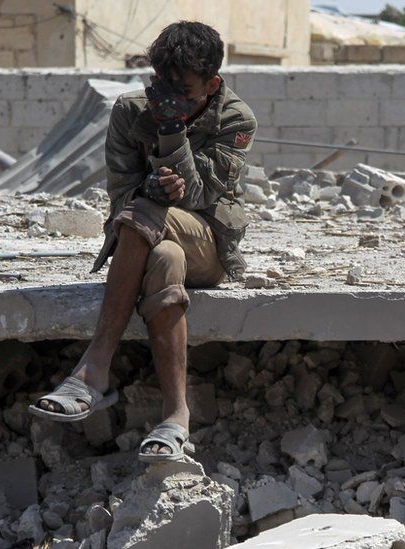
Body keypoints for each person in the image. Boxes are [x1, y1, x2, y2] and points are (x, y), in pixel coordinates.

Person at [29, 21, 256, 462]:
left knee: (146, 219)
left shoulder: (235, 118)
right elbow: (120, 199)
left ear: (212, 84)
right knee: (162, 252)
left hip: (207, 245)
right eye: (161, 89)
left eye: (186, 93)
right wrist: (151, 188)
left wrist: (171, 130)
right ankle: (176, 416)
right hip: (151, 241)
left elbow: (199, 195)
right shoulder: (131, 111)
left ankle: (95, 367)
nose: (172, 101)